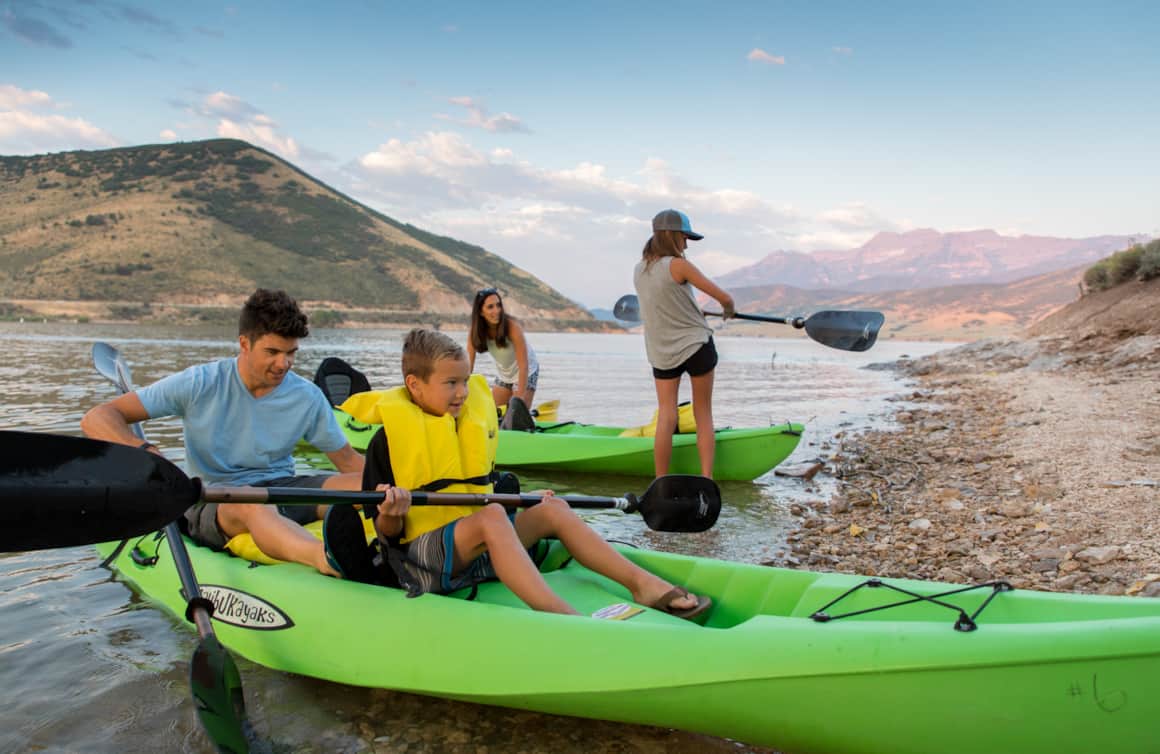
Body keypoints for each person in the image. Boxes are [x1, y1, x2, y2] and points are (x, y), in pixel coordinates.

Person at [331, 328, 710, 619]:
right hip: (421, 562)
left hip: (476, 546)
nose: (462, 392)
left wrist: (523, 501)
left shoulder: (468, 424)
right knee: (494, 517)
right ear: (415, 385)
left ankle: (643, 585)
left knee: (552, 508)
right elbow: (385, 533)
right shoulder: (387, 441)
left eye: (464, 381)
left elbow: (481, 492)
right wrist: (391, 513)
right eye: (450, 383)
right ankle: (564, 618)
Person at [80, 288, 403, 577]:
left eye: (291, 353)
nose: (284, 364)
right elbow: (97, 417)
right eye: (273, 352)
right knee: (253, 506)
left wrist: (394, 490)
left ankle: (405, 550)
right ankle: (327, 559)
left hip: (282, 489)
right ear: (244, 344)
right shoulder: (200, 383)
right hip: (216, 498)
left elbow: (348, 461)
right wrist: (146, 454)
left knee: (361, 485)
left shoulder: (306, 396)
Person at [633, 209, 735, 478]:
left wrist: (690, 310)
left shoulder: (639, 270)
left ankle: (661, 480)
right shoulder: (679, 265)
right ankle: (706, 479)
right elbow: (725, 298)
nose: (686, 245)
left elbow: (664, 304)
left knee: (666, 416)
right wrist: (728, 310)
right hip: (696, 346)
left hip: (662, 353)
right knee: (703, 414)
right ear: (672, 235)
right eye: (684, 237)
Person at [466, 287, 540, 410]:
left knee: (516, 413)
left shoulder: (512, 327)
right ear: (481, 312)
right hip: (504, 375)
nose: (497, 310)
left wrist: (519, 400)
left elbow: (524, 367)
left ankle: (526, 415)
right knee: (493, 413)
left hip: (527, 372)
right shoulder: (475, 333)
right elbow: (468, 368)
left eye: (498, 305)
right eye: (490, 307)